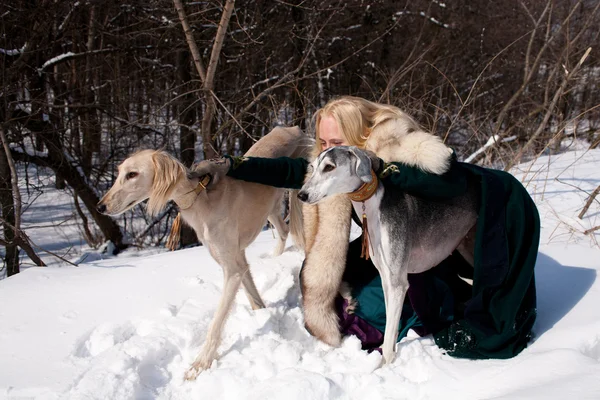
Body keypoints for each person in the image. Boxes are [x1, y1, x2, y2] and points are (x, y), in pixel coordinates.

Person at [189, 96, 540, 360]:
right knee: (344, 297)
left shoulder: (397, 156)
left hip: (481, 213)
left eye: (337, 143)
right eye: (323, 143)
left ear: (362, 136)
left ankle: (445, 299)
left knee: (372, 318)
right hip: (408, 242)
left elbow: (449, 182)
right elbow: (289, 171)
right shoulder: (336, 165)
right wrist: (232, 165)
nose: (327, 150)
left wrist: (387, 172)